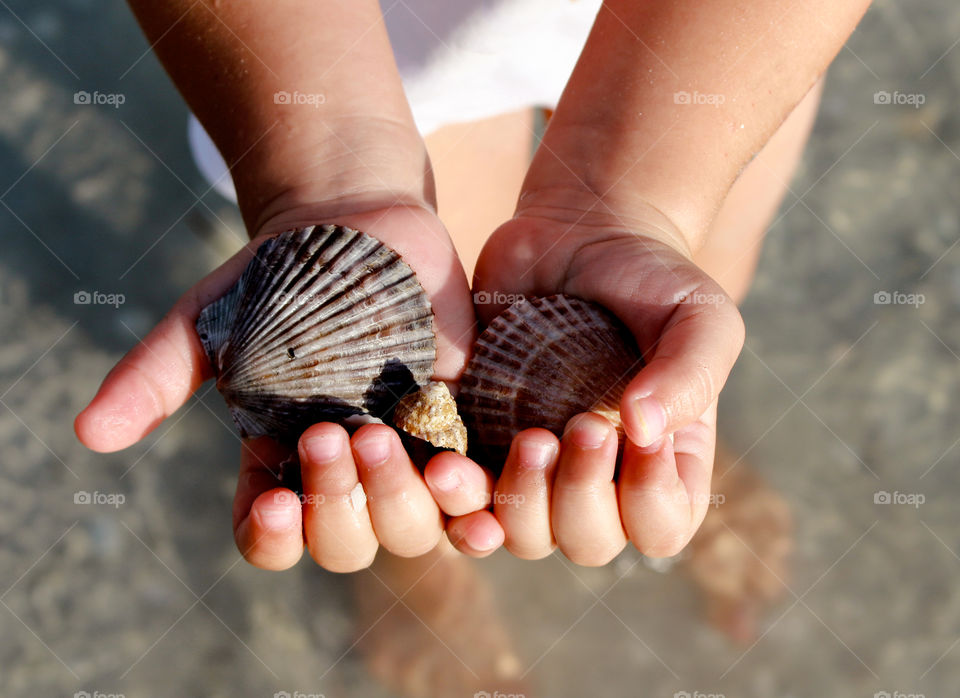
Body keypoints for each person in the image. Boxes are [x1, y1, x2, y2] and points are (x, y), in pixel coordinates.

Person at [75, 0, 872, 573]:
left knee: (690, 274)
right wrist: (328, 169)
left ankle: (652, 421)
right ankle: (418, 549)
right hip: (350, 45)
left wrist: (636, 205)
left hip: (727, 30)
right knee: (457, 308)